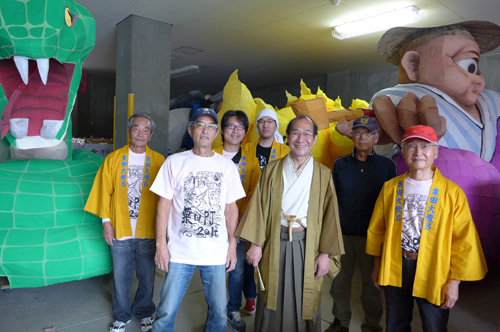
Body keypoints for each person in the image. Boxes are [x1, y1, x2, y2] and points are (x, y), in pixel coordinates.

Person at [365, 125, 488, 332]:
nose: (418, 152)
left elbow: (463, 240)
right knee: (395, 324)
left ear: (436, 152)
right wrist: (378, 266)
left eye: (425, 146)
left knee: (434, 326)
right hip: (395, 263)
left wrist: (455, 282)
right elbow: (378, 230)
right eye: (411, 146)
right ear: (403, 151)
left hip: (434, 266)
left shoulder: (452, 193)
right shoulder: (391, 188)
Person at [236, 115, 344, 332]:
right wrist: (256, 244)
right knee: (271, 294)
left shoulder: (323, 173)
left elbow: (330, 216)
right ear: (287, 137)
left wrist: (325, 253)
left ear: (314, 140)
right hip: (274, 242)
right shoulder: (273, 170)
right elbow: (258, 206)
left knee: (306, 296)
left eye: (306, 133)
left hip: (308, 244)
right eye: (295, 132)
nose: (300, 138)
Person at [150, 108, 245, 332]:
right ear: (191, 130)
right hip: (179, 252)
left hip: (215, 252)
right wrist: (160, 244)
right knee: (166, 310)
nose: (205, 130)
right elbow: (163, 206)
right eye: (200, 125)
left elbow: (231, 209)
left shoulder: (227, 167)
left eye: (211, 126)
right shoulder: (174, 162)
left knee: (219, 311)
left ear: (216, 134)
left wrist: (232, 244)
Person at [85, 113, 165, 332]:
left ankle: (144, 312)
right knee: (120, 277)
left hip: (148, 230)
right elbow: (104, 192)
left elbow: (167, 199)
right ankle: (121, 316)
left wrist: (164, 232)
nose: (140, 133)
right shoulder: (113, 159)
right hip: (120, 229)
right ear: (129, 131)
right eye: (136, 129)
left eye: (145, 130)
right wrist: (106, 223)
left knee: (147, 277)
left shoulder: (159, 161)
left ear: (151, 135)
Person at [325, 116, 397, 332]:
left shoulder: (387, 166)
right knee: (338, 283)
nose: (362, 137)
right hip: (343, 235)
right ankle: (340, 322)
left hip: (373, 238)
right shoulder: (341, 164)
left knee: (372, 286)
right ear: (352, 136)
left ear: (376, 137)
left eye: (367, 133)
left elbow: (392, 203)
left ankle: (372, 325)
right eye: (357, 133)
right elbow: (332, 199)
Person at [213, 110, 255, 332]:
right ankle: (216, 310)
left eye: (240, 127)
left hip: (237, 228)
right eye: (231, 126)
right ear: (222, 130)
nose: (235, 131)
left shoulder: (251, 161)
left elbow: (254, 195)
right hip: (210, 226)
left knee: (236, 270)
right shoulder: (209, 155)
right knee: (213, 271)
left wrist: (241, 227)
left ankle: (232, 309)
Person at [238, 108, 290, 214]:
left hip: (275, 205)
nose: (265, 125)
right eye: (261, 121)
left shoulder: (285, 151)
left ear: (276, 126)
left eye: (270, 121)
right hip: (249, 203)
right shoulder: (245, 149)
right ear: (257, 126)